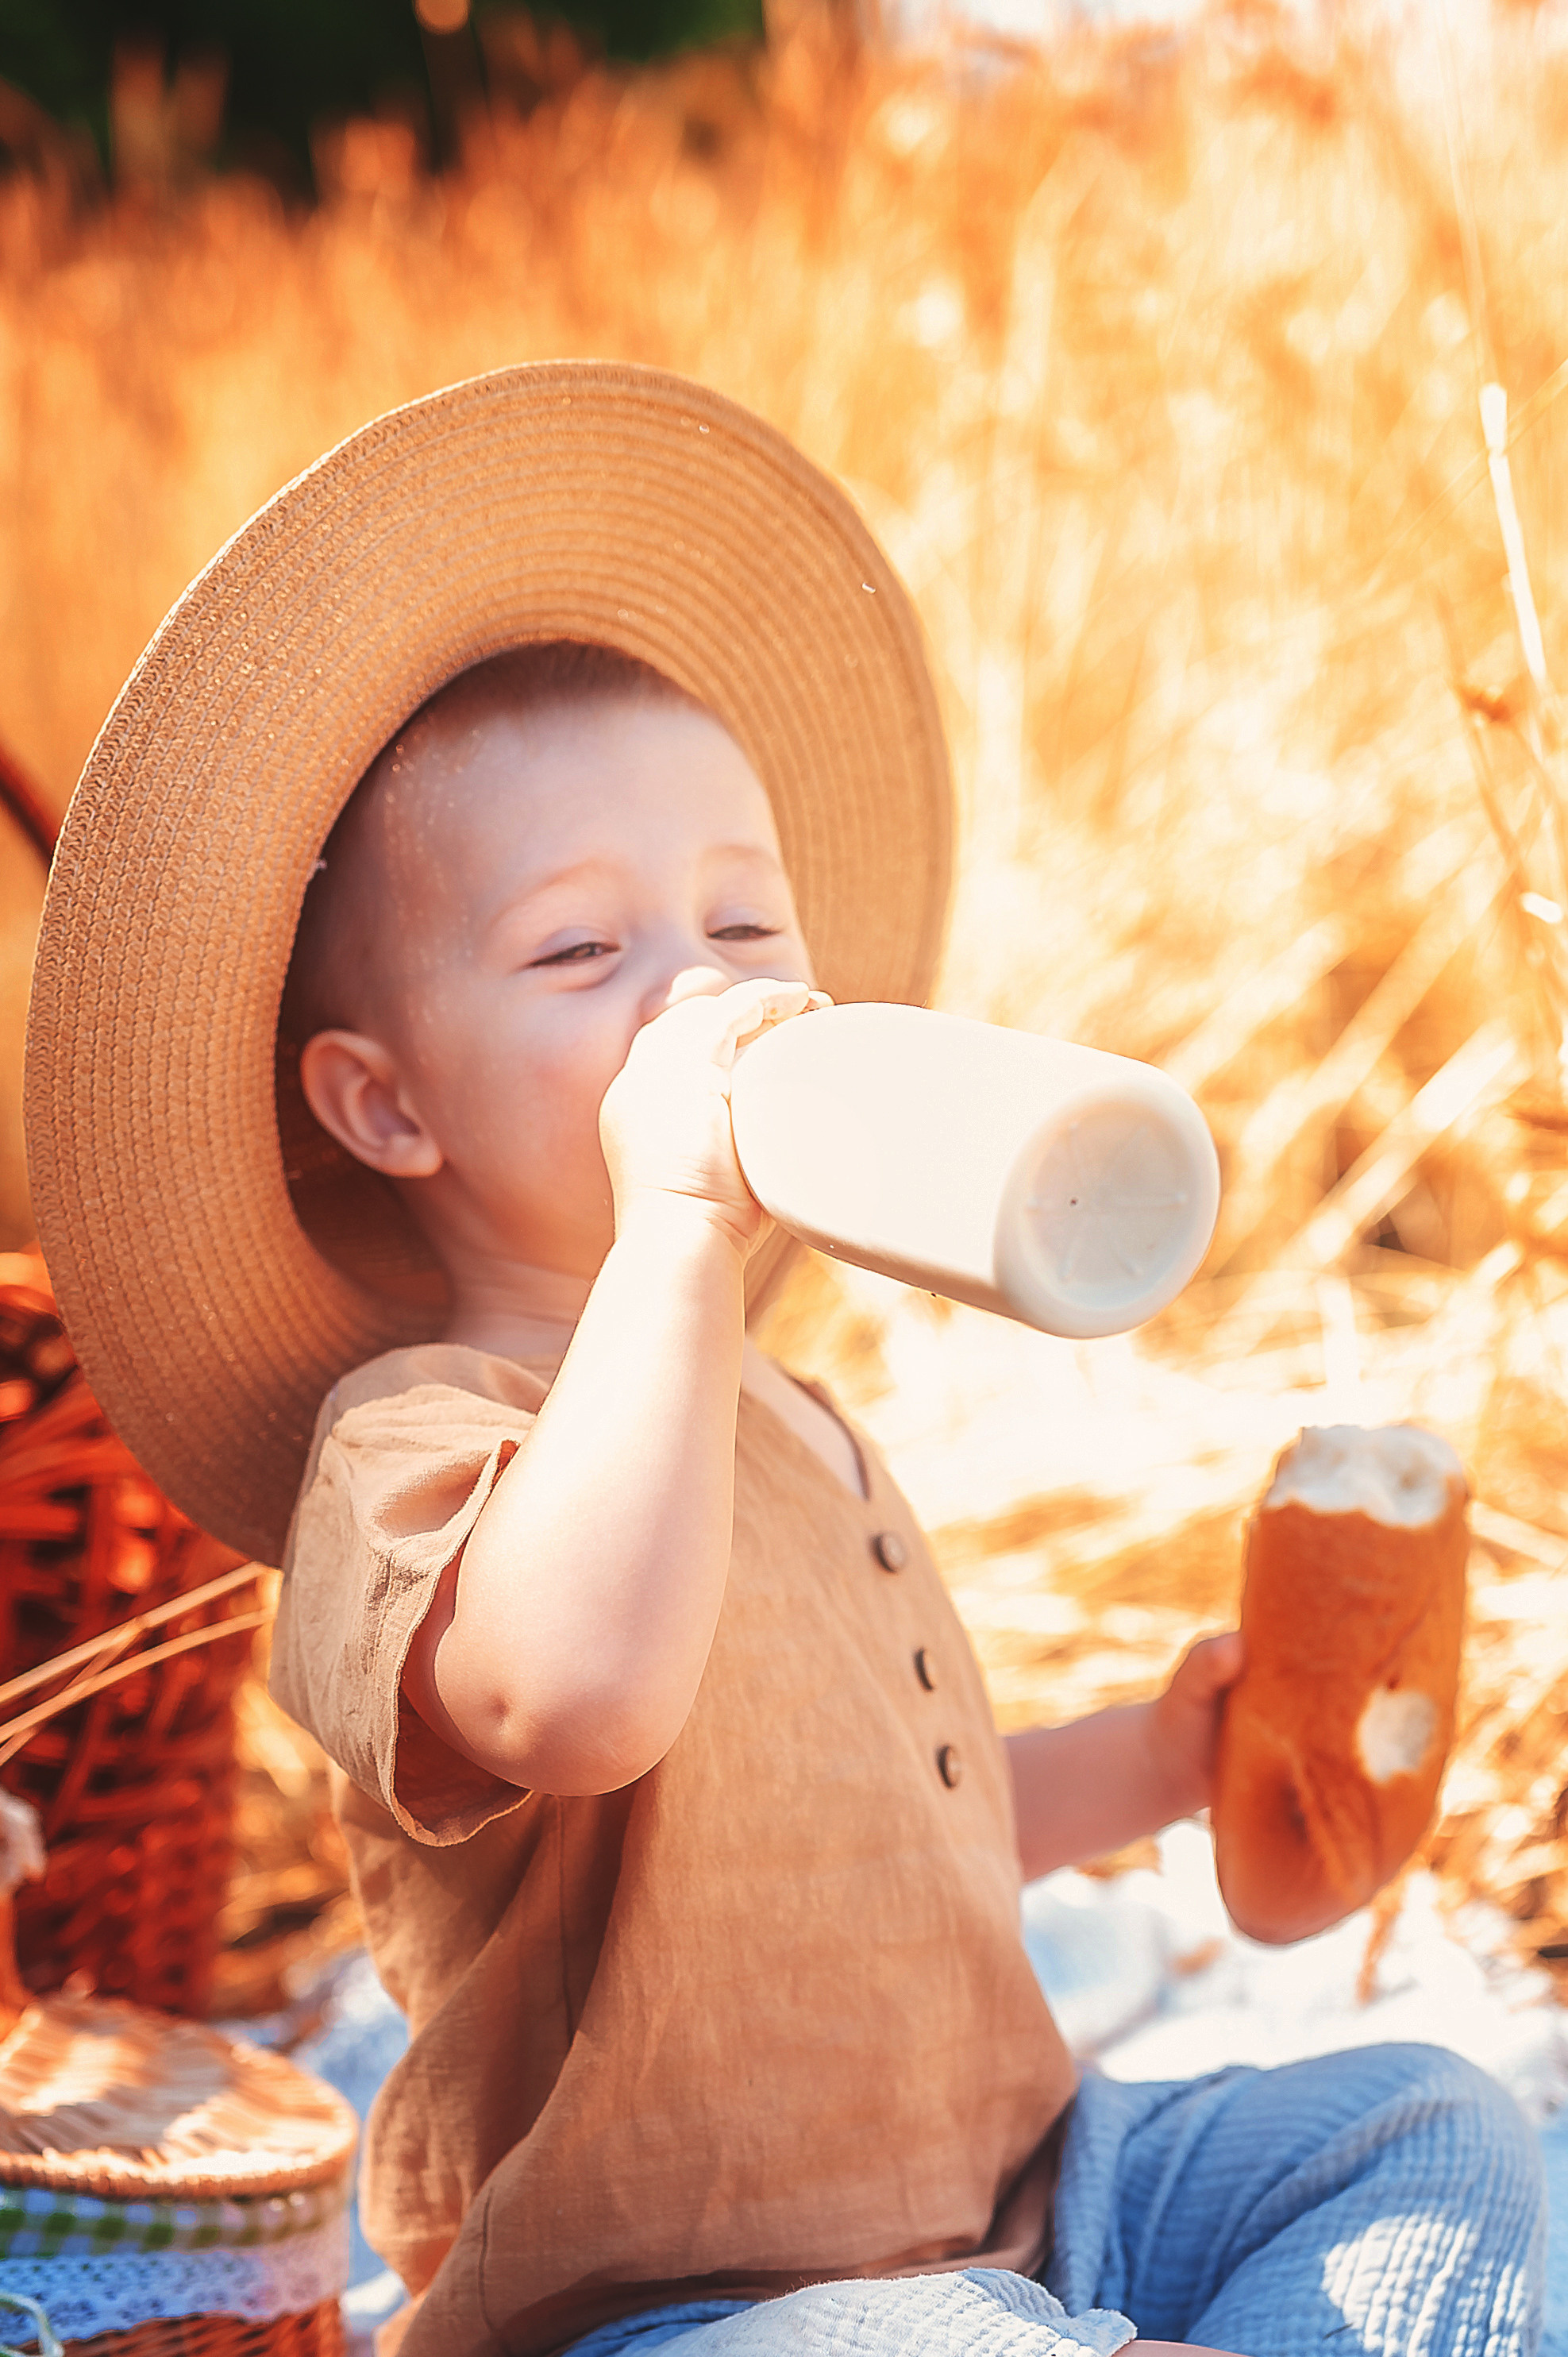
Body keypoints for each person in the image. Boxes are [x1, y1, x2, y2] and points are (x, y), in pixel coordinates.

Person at [24, 365, 1544, 2357]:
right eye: (583, 953)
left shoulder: (783, 1416)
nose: (703, 988)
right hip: (684, 2304)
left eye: (744, 917)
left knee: (1427, 2120)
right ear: (388, 1107)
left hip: (1025, 2187)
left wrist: (1163, 1759)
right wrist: (670, 1226)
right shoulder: (402, 1454)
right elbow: (576, 1695)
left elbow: (884, 1834)